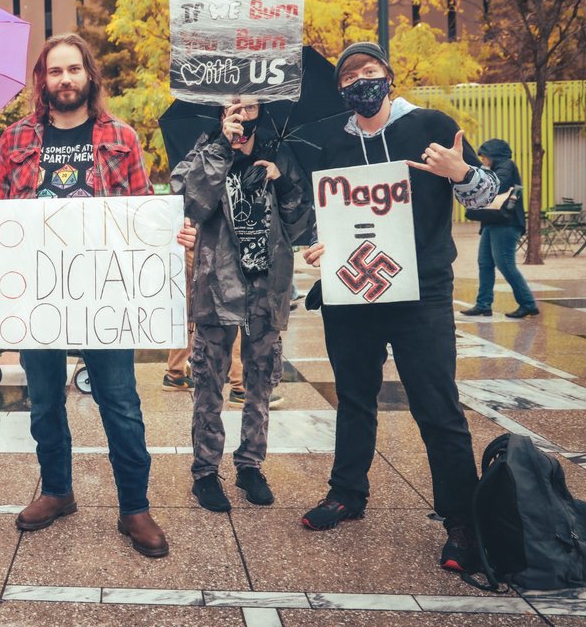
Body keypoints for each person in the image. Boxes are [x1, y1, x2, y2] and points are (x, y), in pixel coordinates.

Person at [0, 33, 169, 558]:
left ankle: (135, 507)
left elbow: (143, 209)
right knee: (45, 399)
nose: (64, 79)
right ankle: (56, 491)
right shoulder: (16, 139)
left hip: (105, 294)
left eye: (73, 69)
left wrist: (170, 233)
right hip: (37, 294)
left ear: (89, 74)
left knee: (121, 402)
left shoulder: (121, 135)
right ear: (42, 80)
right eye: (54, 71)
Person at [299, 42, 499, 573]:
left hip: (421, 294)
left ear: (388, 75)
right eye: (349, 76)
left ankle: (462, 518)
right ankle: (347, 493)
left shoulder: (431, 125)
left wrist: (461, 172)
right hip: (352, 293)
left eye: (369, 70)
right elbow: (321, 218)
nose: (360, 81)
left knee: (437, 406)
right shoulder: (329, 143)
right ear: (341, 90)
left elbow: (487, 197)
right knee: (353, 399)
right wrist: (318, 246)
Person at [173, 98, 312, 511]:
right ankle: (205, 471)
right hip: (217, 286)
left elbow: (300, 223)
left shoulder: (279, 154)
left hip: (267, 288)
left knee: (261, 381)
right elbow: (190, 204)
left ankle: (251, 464)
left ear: (261, 112)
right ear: (221, 113)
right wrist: (220, 146)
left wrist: (282, 182)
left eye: (250, 107)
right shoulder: (205, 151)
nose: (242, 115)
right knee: (208, 381)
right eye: (233, 108)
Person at [461, 138, 539, 319]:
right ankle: (483, 305)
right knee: (485, 263)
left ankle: (528, 304)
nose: (483, 160)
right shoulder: (497, 168)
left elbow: (498, 186)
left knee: (506, 264)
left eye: (485, 156)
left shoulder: (506, 166)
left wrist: (481, 176)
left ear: (494, 155)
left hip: (506, 224)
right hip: (492, 222)